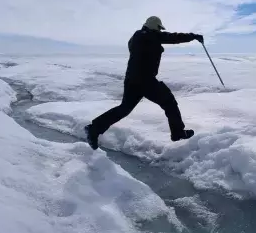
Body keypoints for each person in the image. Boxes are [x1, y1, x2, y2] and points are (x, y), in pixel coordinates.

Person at [84, 16, 204, 150]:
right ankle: (178, 133)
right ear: (154, 26)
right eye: (159, 28)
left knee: (124, 109)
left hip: (132, 79)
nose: (159, 30)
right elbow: (172, 37)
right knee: (169, 102)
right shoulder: (150, 36)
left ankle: (94, 129)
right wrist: (193, 36)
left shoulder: (137, 37)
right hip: (145, 80)